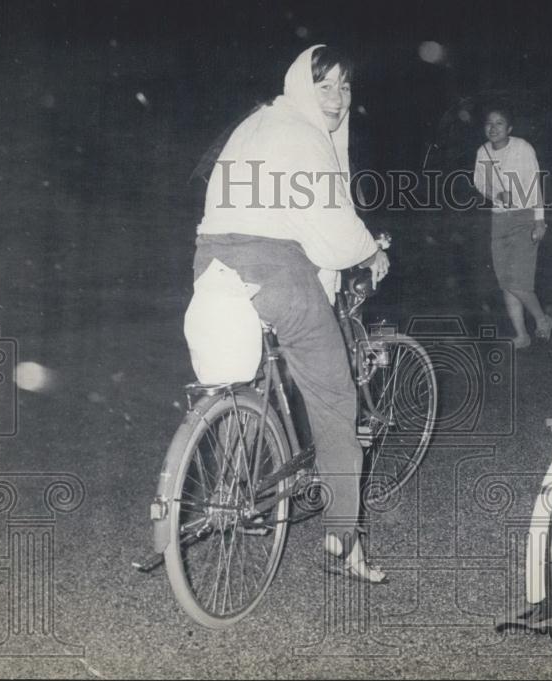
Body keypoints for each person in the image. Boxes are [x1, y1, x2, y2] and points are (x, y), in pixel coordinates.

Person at [193, 45, 389, 584]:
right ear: (304, 88)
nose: (337, 97)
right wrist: (370, 251)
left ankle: (228, 494)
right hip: (270, 265)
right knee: (333, 396)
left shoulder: (256, 122)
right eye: (325, 85)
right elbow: (331, 231)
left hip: (211, 260)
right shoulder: (303, 135)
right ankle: (343, 542)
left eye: (345, 87)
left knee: (243, 378)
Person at [473, 108, 552, 348]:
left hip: (524, 217)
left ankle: (542, 319)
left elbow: (534, 185)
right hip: (499, 219)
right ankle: (522, 335)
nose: (493, 128)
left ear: (509, 128)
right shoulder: (483, 152)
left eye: (499, 123)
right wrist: (496, 193)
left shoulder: (522, 148)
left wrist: (540, 220)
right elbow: (480, 183)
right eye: (489, 123)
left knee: (518, 281)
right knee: (505, 281)